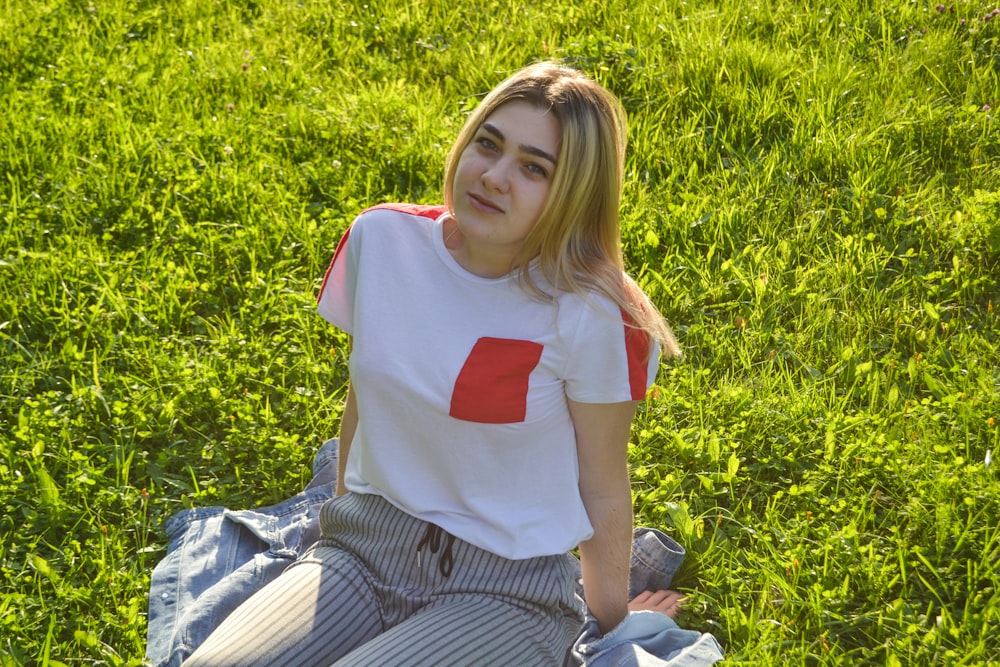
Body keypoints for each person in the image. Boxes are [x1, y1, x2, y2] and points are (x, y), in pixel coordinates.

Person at [184, 61, 682, 667]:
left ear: (575, 191)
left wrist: (613, 622)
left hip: (508, 592)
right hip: (365, 549)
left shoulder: (594, 312)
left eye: (533, 168)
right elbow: (362, 403)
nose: (494, 177)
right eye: (487, 144)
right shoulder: (382, 241)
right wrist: (339, 523)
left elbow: (602, 482)